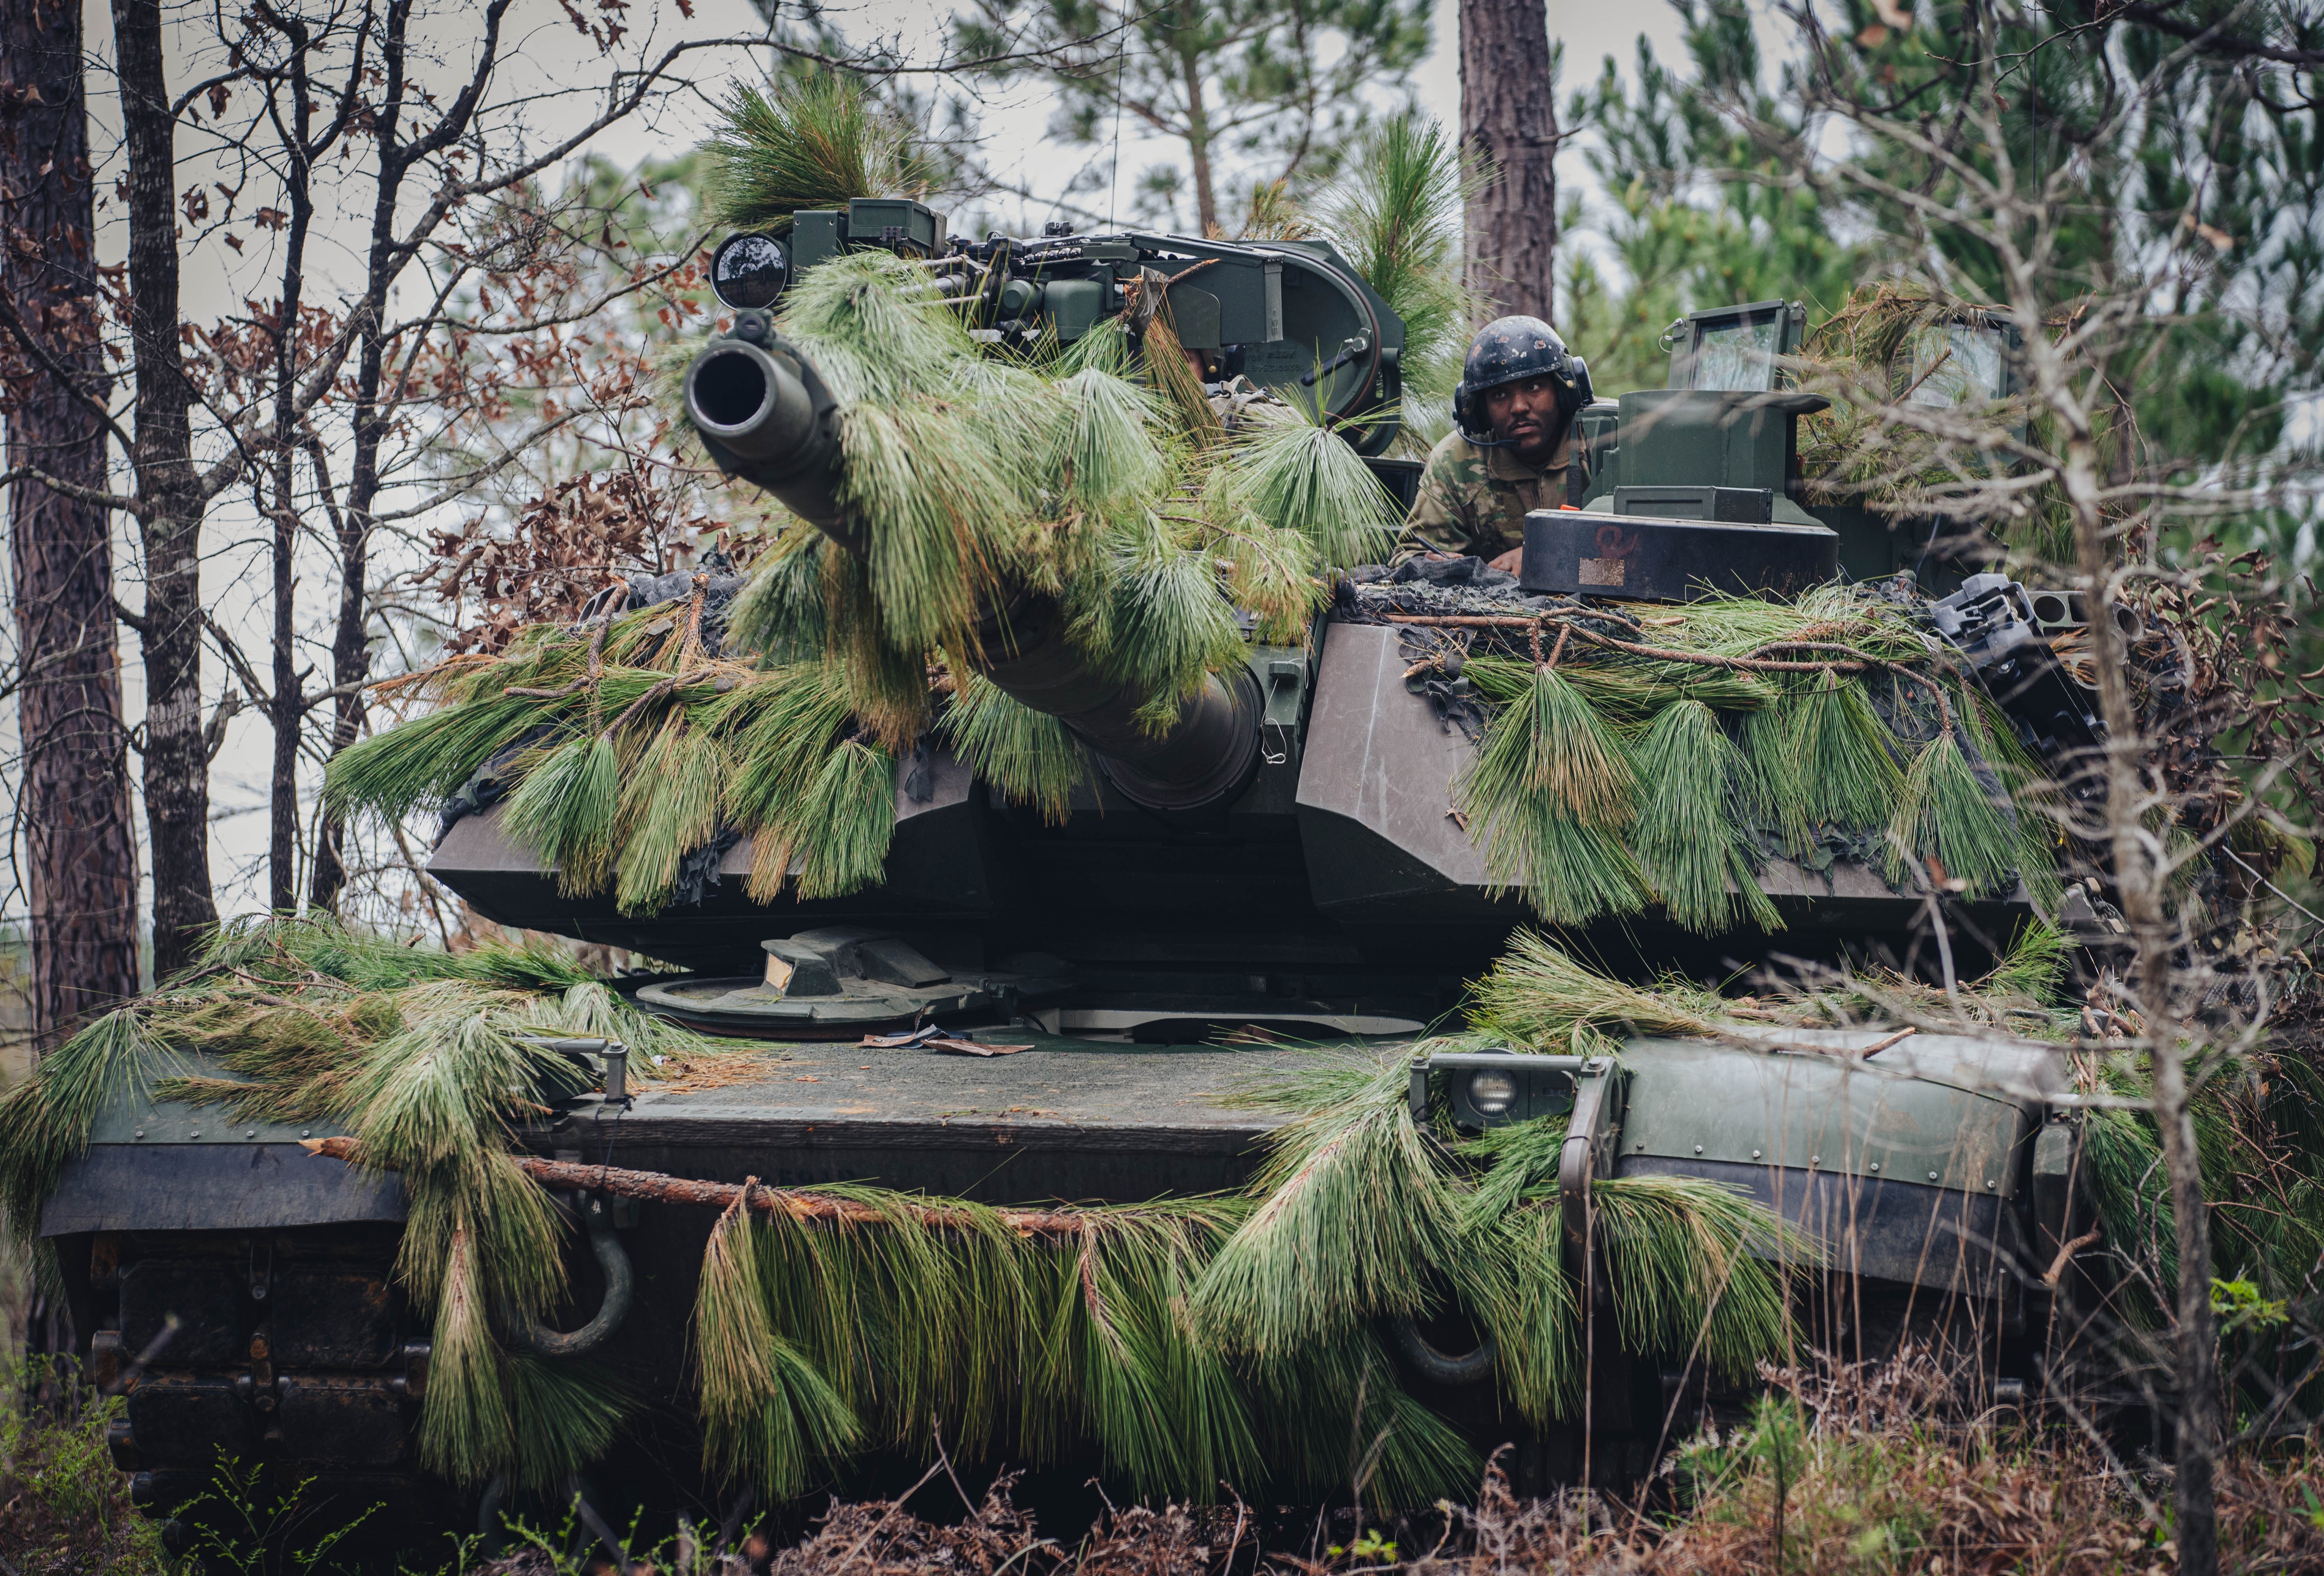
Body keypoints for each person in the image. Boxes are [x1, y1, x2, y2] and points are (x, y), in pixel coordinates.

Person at [1392, 316, 1593, 570]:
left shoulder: (1606, 438)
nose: (1519, 407)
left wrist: (1542, 554)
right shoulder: (1456, 460)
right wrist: (1437, 568)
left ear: (1564, 391)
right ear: (1480, 411)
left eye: (1533, 387)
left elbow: (1651, 541)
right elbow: (1409, 557)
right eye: (1500, 394)